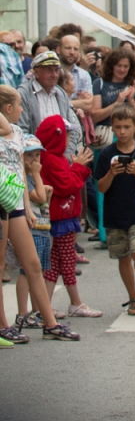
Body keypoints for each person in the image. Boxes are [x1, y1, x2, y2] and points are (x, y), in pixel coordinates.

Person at [0, 85, 79, 341]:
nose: (22, 110)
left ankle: (50, 323)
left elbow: (20, 171)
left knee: (33, 264)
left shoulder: (19, 134)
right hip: (1, 205)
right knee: (0, 265)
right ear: (7, 109)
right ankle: (3, 326)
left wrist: (25, 205)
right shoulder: (2, 130)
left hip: (16, 204)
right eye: (19, 106)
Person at [35, 115, 102, 319]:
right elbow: (67, 185)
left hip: (63, 216)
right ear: (57, 137)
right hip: (61, 218)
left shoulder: (56, 159)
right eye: (67, 134)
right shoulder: (52, 160)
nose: (69, 138)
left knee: (55, 262)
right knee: (67, 261)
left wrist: (75, 167)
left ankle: (45, 305)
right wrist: (79, 167)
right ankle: (76, 303)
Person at [96, 102, 135, 317]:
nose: (122, 131)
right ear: (112, 128)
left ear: (134, 126)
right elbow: (101, 188)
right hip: (115, 214)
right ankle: (133, 296)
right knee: (123, 257)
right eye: (118, 127)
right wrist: (112, 173)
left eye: (126, 127)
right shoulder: (106, 155)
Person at [14, 134, 52, 329]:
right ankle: (23, 312)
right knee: (26, 271)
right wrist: (37, 176)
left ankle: (37, 311)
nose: (35, 160)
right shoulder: (27, 179)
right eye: (30, 156)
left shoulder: (33, 177)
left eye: (38, 155)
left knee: (40, 272)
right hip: (32, 230)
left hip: (43, 229)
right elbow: (38, 196)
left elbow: (44, 201)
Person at [18, 50, 81, 157]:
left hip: (60, 157)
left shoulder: (60, 93)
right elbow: (21, 131)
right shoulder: (23, 93)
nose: (54, 75)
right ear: (36, 72)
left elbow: (71, 129)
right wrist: (37, 157)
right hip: (34, 157)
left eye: (56, 70)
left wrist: (67, 156)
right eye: (49, 70)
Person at [91, 47, 135, 135]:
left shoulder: (134, 85)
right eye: (119, 66)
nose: (122, 70)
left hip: (129, 135)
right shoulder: (99, 83)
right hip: (107, 134)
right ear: (112, 66)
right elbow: (94, 116)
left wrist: (131, 101)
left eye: (126, 66)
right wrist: (117, 103)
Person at [55, 27, 94, 108]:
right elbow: (51, 103)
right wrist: (77, 101)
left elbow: (88, 105)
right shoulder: (52, 72)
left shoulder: (84, 75)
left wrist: (62, 102)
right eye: (68, 48)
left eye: (76, 49)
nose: (72, 52)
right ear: (58, 50)